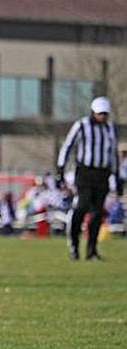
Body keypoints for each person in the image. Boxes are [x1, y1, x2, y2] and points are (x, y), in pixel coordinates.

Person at [56, 96, 121, 260]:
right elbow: (68, 146)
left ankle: (91, 250)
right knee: (82, 206)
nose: (102, 117)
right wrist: (61, 169)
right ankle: (74, 245)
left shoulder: (110, 129)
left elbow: (112, 153)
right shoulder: (82, 125)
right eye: (100, 114)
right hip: (85, 172)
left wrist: (117, 175)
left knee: (98, 212)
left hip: (102, 173)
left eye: (105, 114)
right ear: (93, 112)